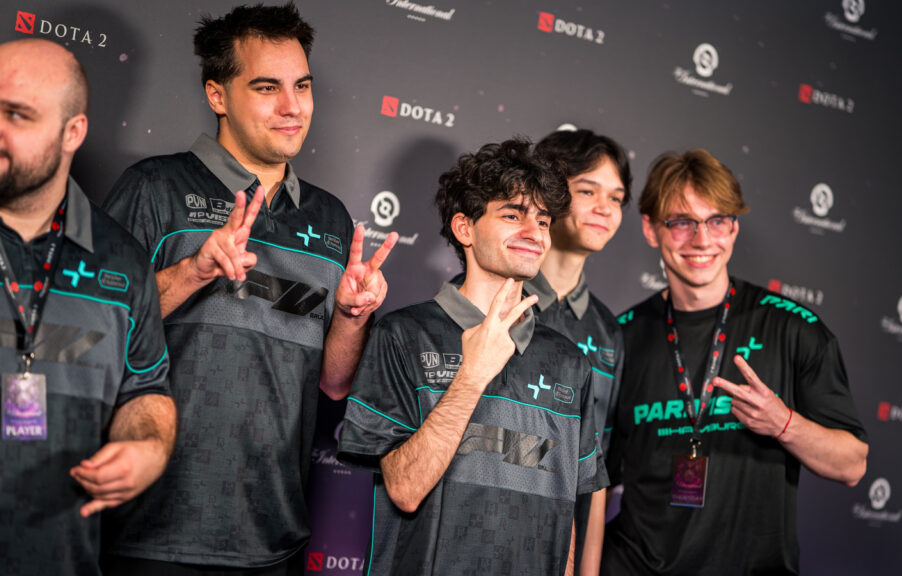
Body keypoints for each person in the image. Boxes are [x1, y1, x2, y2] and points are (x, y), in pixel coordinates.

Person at [100, 3, 396, 574]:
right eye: (266, 88)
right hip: (148, 532)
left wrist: (351, 317)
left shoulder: (332, 219)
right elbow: (99, 328)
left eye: (302, 86)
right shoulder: (155, 187)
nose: (292, 107)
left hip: (273, 536)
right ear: (218, 95)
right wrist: (192, 272)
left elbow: (335, 383)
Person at [337, 139, 607, 575]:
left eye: (542, 220)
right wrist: (471, 376)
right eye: (513, 215)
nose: (534, 232)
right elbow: (404, 489)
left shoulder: (570, 361)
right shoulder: (404, 335)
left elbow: (568, 506)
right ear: (465, 228)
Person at [602, 149, 868, 575]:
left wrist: (783, 423)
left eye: (717, 221)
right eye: (682, 222)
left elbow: (852, 465)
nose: (702, 240)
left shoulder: (793, 329)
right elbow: (593, 479)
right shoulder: (620, 337)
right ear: (651, 229)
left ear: (734, 228)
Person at [0, 39, 175, 576]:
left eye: (15, 114)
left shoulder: (124, 260)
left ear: (72, 133)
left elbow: (145, 390)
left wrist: (147, 447)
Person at [530, 129, 630, 575]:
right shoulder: (492, 297)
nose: (605, 208)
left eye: (616, 197)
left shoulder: (608, 332)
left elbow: (596, 472)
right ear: (549, 192)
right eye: (588, 191)